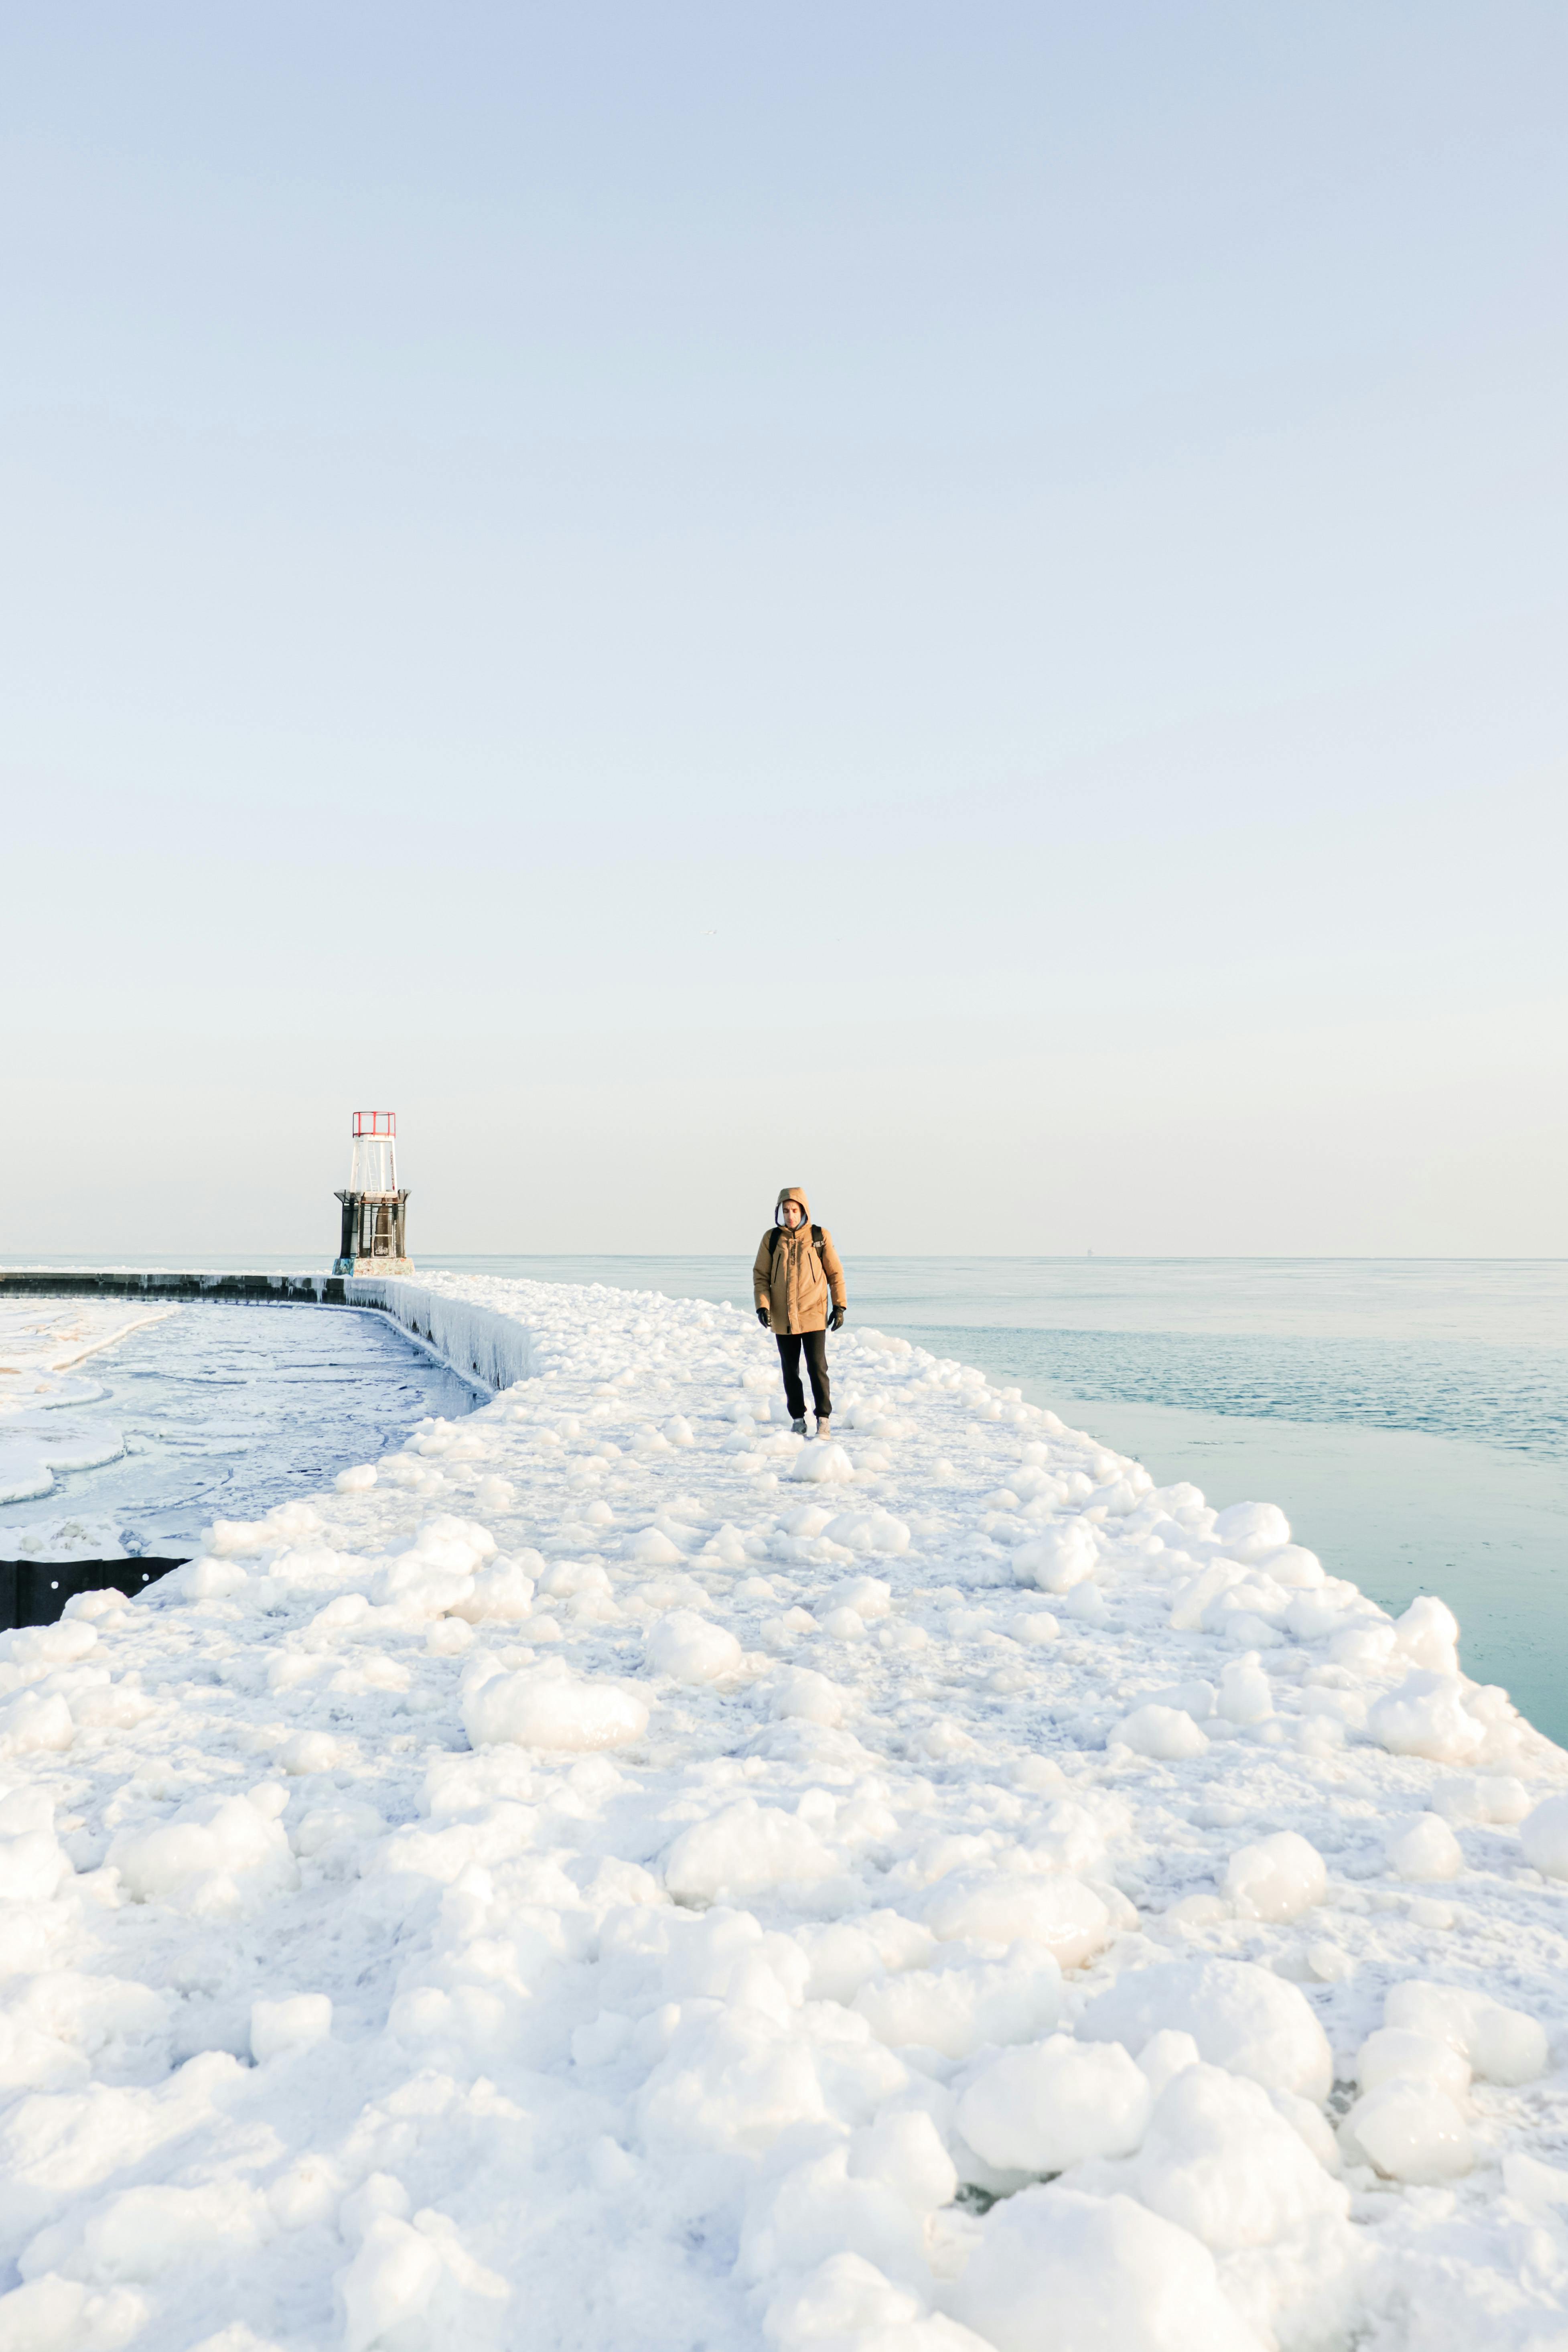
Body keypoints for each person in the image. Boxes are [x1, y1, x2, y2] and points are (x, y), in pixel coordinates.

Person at [753, 1186, 847, 1438]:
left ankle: (824, 1419)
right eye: (785, 1211)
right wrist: (763, 1306)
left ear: (804, 1210)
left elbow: (835, 1274)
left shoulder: (819, 1236)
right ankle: (798, 1418)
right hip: (783, 1317)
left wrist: (839, 1306)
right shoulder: (772, 1239)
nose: (790, 1215)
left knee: (817, 1368)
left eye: (794, 1210)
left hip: (813, 1314)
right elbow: (760, 1275)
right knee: (790, 1369)